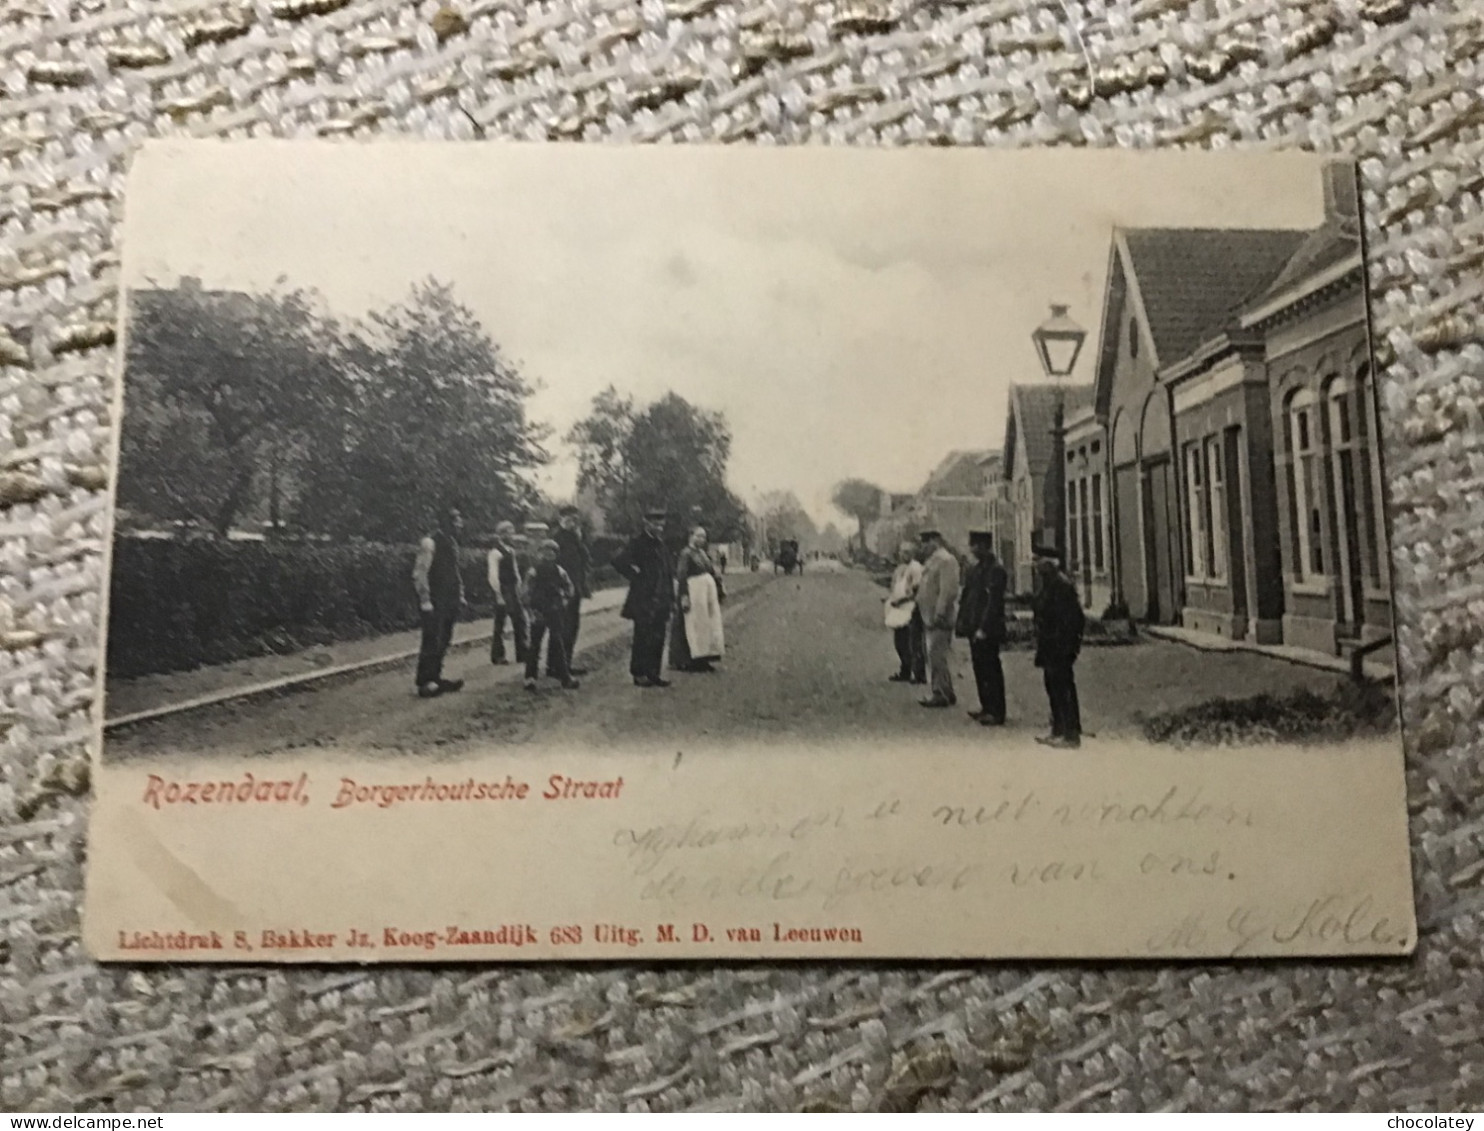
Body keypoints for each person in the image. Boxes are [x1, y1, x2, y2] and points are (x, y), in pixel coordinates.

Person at [612, 509, 675, 688]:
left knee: (658, 636)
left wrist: (671, 596)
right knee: (642, 636)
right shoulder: (638, 542)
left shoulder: (661, 544)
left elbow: (667, 571)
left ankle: (653, 673)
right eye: (655, 524)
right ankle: (639, 673)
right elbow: (618, 561)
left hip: (661, 597)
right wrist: (635, 575)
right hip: (643, 598)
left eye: (661, 524)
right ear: (646, 524)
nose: (659, 527)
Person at [1032, 544, 1085, 748]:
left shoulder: (1061, 586)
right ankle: (1059, 729)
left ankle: (1071, 734)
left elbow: (1074, 619)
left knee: (1063, 688)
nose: (1035, 565)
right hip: (1050, 644)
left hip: (1059, 646)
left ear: (1049, 564)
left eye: (1038, 561)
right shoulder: (1049, 583)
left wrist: (1069, 645)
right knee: (1053, 687)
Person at [412, 506, 466, 699]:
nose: (461, 524)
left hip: (448, 599)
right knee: (431, 640)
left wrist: (460, 595)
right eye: (457, 521)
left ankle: (436, 677)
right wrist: (425, 599)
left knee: (444, 638)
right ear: (447, 523)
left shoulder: (451, 542)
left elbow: (455, 572)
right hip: (434, 599)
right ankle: (425, 681)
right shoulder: (429, 542)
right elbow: (420, 572)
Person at [957, 530, 1008, 726]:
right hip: (974, 626)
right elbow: (968, 598)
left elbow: (993, 603)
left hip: (988, 628)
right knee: (979, 667)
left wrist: (984, 628)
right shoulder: (976, 569)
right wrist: (965, 623)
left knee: (991, 669)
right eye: (972, 545)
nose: (972, 549)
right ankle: (986, 706)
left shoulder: (996, 570)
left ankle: (997, 711)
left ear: (986, 546)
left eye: (976, 546)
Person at [520, 539, 580, 691]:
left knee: (558, 643)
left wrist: (564, 601)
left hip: (555, 611)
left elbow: (569, 589)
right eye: (545, 551)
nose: (549, 554)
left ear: (556, 554)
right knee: (534, 644)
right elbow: (526, 591)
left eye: (552, 551)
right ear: (540, 553)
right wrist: (530, 610)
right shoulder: (533, 571)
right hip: (538, 611)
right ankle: (530, 678)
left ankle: (565, 677)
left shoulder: (560, 571)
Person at [915, 529, 960, 708]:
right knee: (935, 655)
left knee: (937, 656)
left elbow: (947, 591)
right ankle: (946, 691)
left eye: (927, 542)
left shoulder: (946, 560)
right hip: (929, 616)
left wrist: (940, 612)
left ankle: (939, 693)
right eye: (923, 543)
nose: (924, 546)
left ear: (937, 541)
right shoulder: (933, 561)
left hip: (938, 617)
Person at [671, 525, 726, 673]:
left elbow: (711, 570)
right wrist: (684, 596)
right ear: (691, 536)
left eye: (703, 536)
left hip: (705, 594)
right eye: (698, 536)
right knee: (695, 625)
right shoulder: (686, 553)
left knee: (707, 624)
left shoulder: (702, 553)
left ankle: (704, 658)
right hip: (694, 592)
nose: (701, 539)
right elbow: (681, 575)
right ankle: (692, 660)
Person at [552, 505, 593, 677]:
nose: (573, 522)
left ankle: (565, 664)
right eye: (569, 519)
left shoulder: (575, 537)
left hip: (574, 588)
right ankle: (557, 667)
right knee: (562, 628)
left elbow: (585, 559)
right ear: (561, 519)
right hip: (562, 590)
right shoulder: (557, 538)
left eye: (575, 519)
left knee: (572, 627)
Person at [884, 540, 925, 685]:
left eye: (907, 552)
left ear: (913, 553)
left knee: (912, 642)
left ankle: (919, 673)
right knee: (900, 642)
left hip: (911, 607)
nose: (903, 555)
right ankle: (905, 670)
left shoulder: (916, 568)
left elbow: (917, 591)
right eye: (902, 552)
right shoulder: (900, 569)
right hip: (899, 608)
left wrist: (901, 601)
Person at [486, 520, 527, 666]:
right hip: (503, 590)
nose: (512, 535)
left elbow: (515, 571)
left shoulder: (510, 551)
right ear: (501, 534)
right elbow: (493, 576)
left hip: (512, 589)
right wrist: (498, 595)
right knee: (500, 623)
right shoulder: (495, 552)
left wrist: (519, 586)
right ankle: (497, 655)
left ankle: (523, 653)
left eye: (512, 532)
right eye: (509, 532)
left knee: (520, 620)